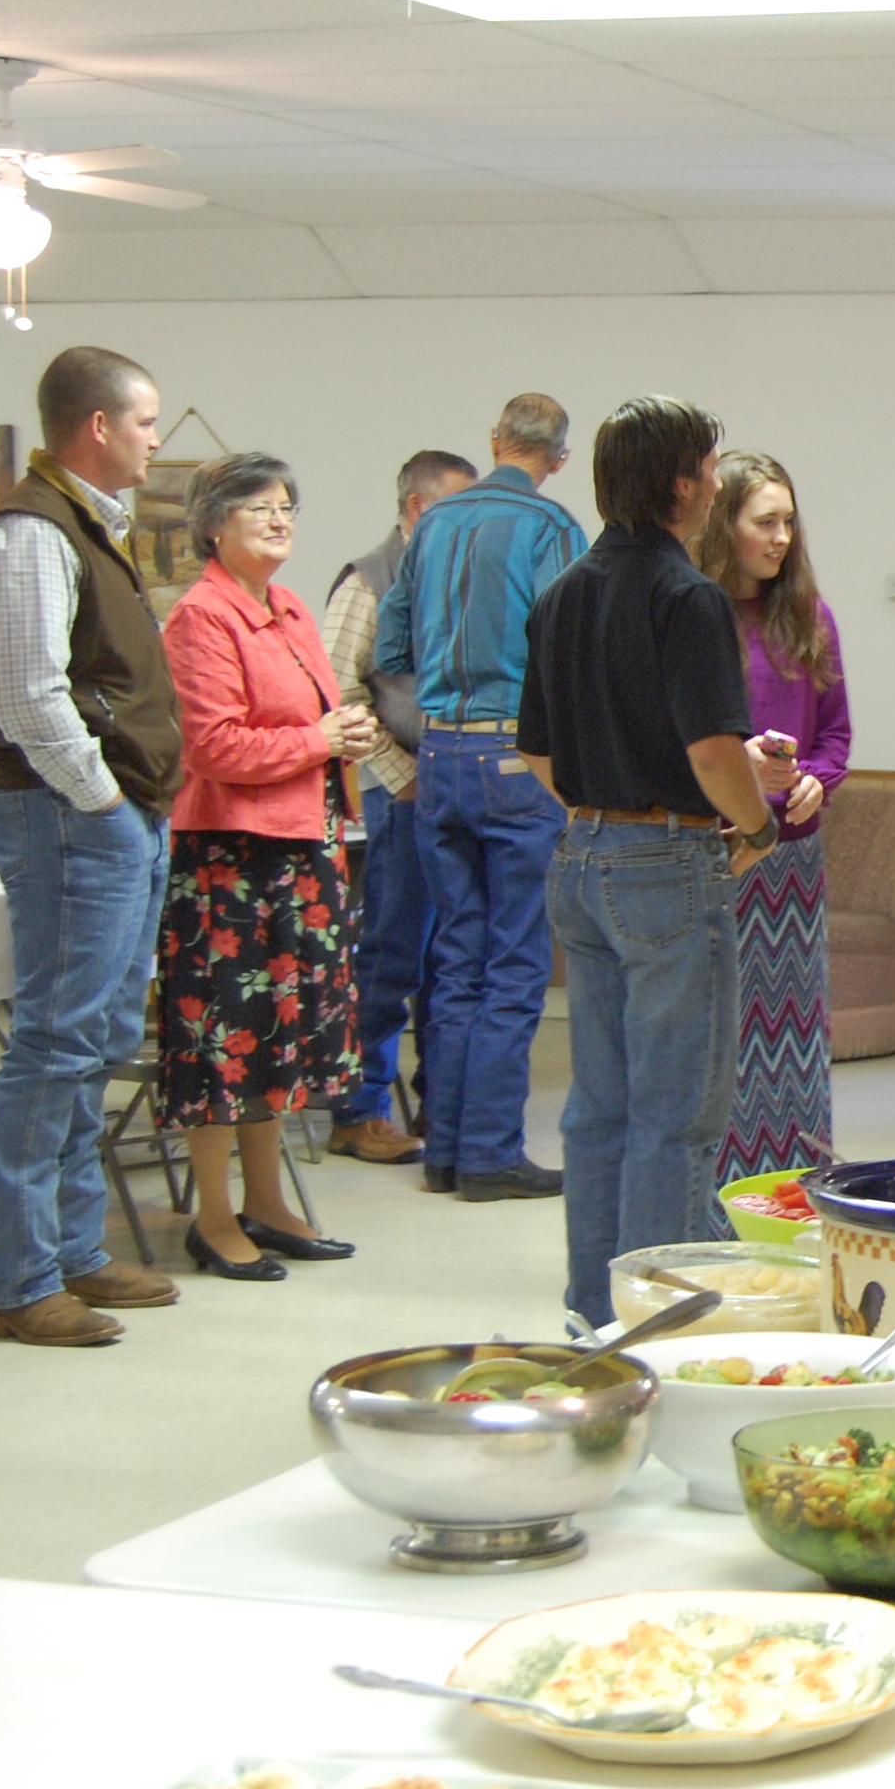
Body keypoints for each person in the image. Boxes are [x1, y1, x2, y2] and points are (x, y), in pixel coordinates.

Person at [519, 397, 788, 1329]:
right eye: (710, 468)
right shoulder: (688, 596)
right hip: (667, 865)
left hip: (581, 858)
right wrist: (756, 827)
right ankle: (659, 1331)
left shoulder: (562, 594)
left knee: (600, 1109)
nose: (717, 481)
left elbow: (543, 754)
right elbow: (716, 752)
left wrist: (610, 806)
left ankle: (595, 1311)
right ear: (682, 484)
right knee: (676, 1116)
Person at [0, 346, 188, 1347]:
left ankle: (71, 1248)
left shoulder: (92, 525)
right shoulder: (29, 530)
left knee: (92, 1038)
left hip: (116, 813)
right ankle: (14, 1278)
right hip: (71, 813)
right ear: (96, 426)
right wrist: (101, 800)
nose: (154, 437)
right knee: (53, 1041)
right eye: (144, 420)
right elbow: (26, 691)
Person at [154, 454, 380, 1281]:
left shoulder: (287, 606)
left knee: (282, 1038)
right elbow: (211, 745)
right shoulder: (199, 616)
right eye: (260, 507)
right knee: (225, 1041)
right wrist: (319, 741)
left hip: (302, 849)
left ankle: (268, 1201)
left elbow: (308, 724)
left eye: (288, 506)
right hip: (231, 860)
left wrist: (344, 735)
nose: (281, 519)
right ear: (215, 522)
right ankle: (212, 1217)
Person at [374, 395, 589, 1203]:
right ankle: (493, 1155)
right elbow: (567, 648)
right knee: (515, 961)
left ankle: (448, 1151)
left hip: (439, 753)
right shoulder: (552, 528)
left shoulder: (432, 525)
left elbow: (390, 644)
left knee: (455, 958)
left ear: (495, 442)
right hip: (513, 756)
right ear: (558, 459)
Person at [693, 451, 851, 1186]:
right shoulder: (692, 614)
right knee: (724, 1030)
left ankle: (794, 1186)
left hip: (793, 858)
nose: (782, 536)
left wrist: (818, 779)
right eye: (766, 521)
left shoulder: (810, 617)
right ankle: (722, 1190)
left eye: (789, 521)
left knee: (791, 1032)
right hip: (719, 852)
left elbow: (835, 735)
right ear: (725, 525)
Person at [320, 448, 476, 1166]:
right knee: (390, 955)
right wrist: (397, 773)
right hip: (403, 794)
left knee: (453, 959)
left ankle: (444, 1107)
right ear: (417, 508)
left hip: (460, 791)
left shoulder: (464, 576)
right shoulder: (368, 581)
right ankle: (360, 1108)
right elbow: (337, 695)